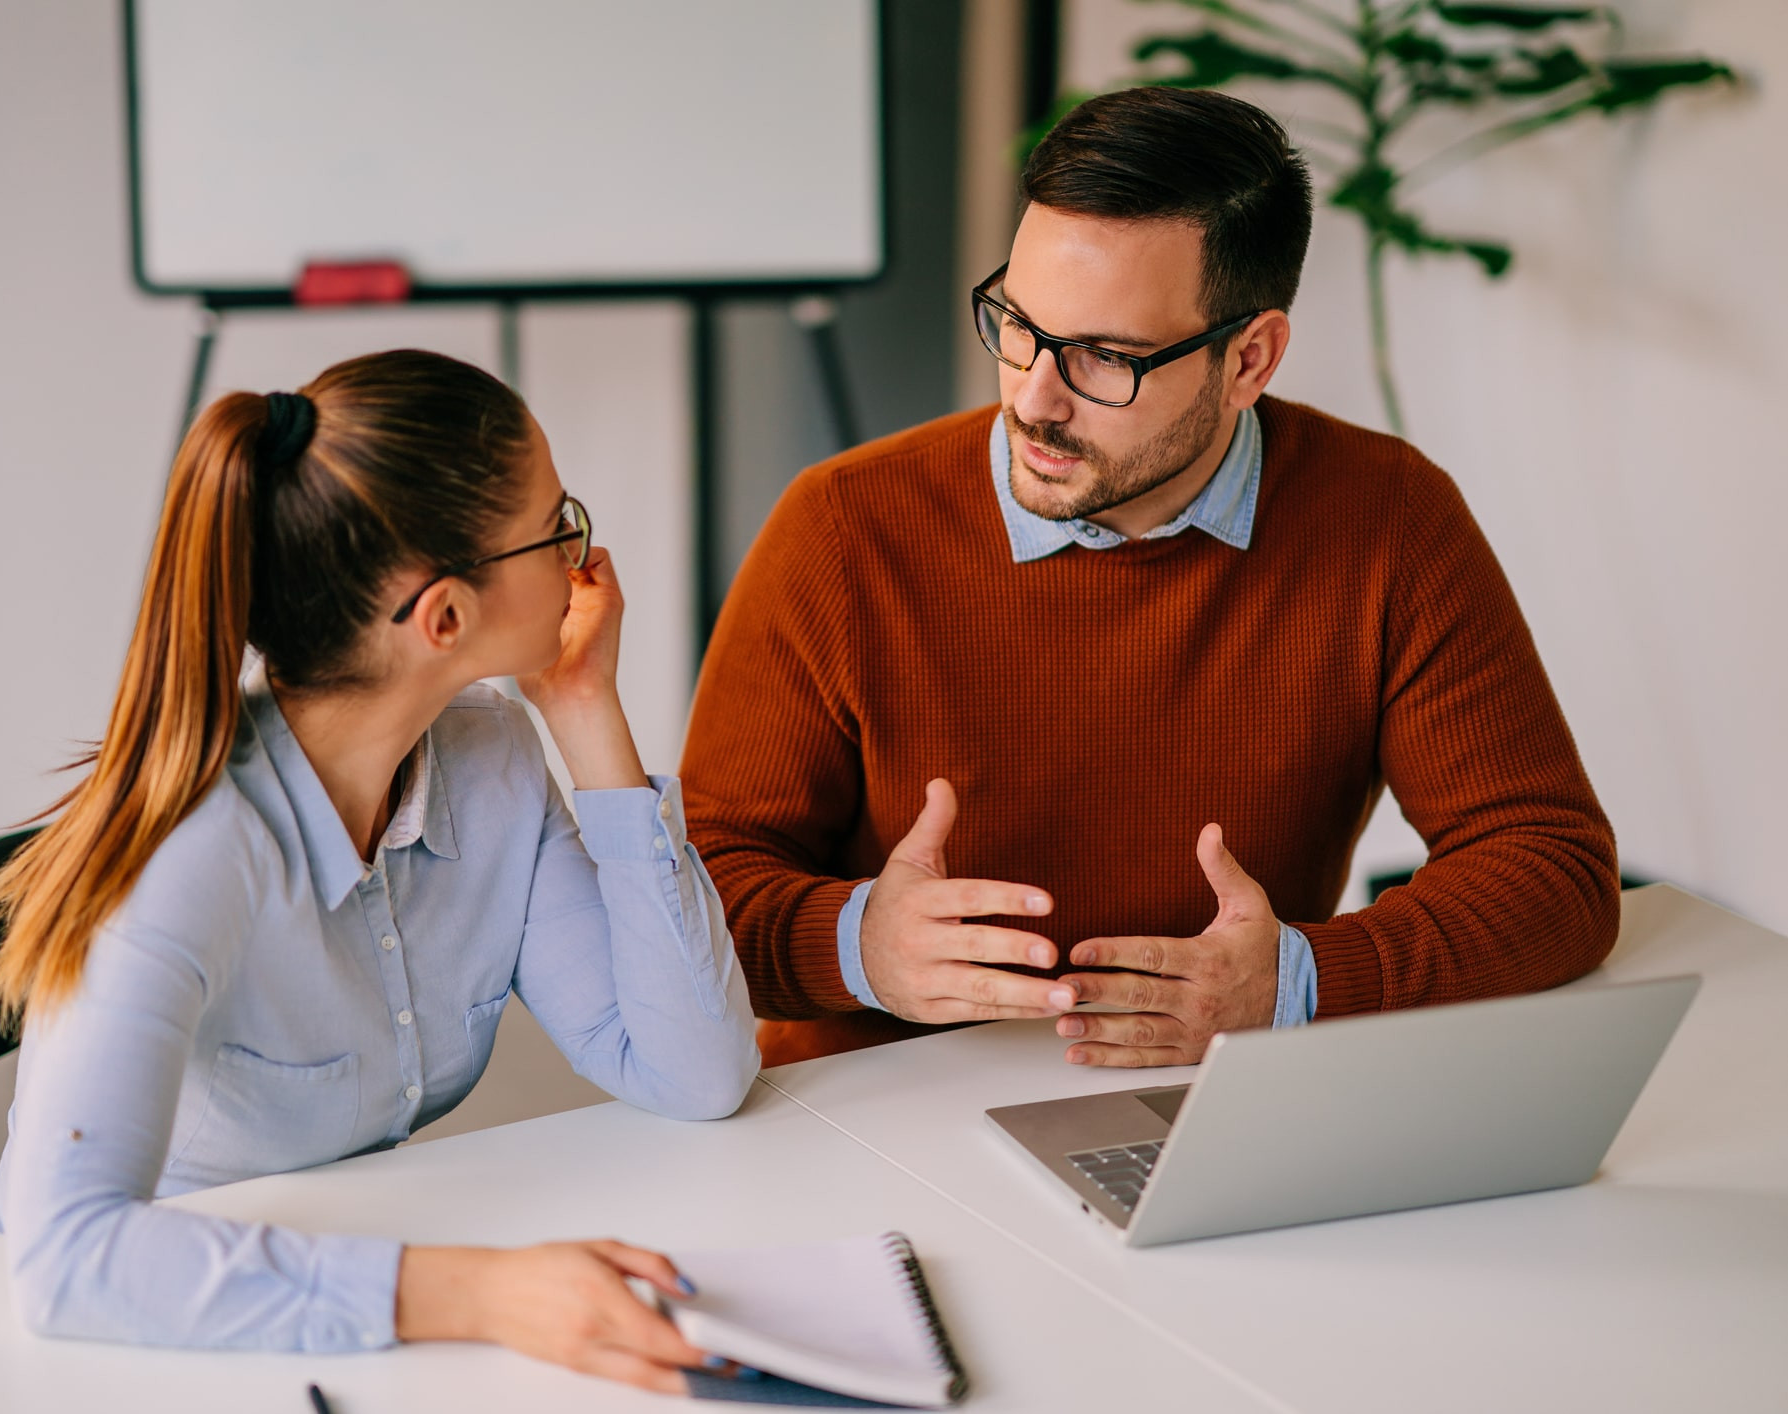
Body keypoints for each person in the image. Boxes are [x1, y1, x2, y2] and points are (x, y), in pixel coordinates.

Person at [681, 86, 1619, 1069]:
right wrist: (857, 945)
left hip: (1214, 1099)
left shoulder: (1388, 519)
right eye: (1018, 323)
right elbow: (690, 901)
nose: (1033, 399)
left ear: (1249, 358)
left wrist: (1295, 982)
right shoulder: (846, 525)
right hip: (867, 1107)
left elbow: (1550, 868)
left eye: (1104, 358)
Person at [0, 349, 759, 1392]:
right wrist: (485, 1293)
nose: (584, 550)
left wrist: (583, 708)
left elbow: (693, 1072)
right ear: (444, 617)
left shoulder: (493, 760)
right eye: (555, 524)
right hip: (129, 1346)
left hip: (345, 1297)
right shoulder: (187, 855)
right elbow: (64, 1257)